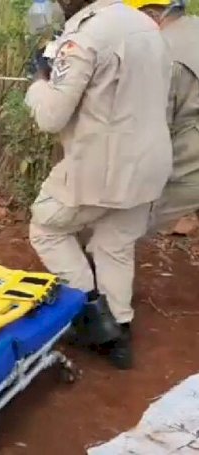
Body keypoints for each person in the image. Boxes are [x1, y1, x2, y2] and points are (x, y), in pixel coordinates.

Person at [24, 0, 173, 369]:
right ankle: (120, 333)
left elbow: (51, 116)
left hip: (103, 167)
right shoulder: (147, 26)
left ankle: (92, 312)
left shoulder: (85, 35)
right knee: (114, 244)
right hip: (149, 163)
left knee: (46, 228)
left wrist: (38, 82)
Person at [124, 0, 199, 231]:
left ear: (150, 15)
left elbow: (151, 136)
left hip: (189, 167)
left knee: (114, 233)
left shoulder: (163, 54)